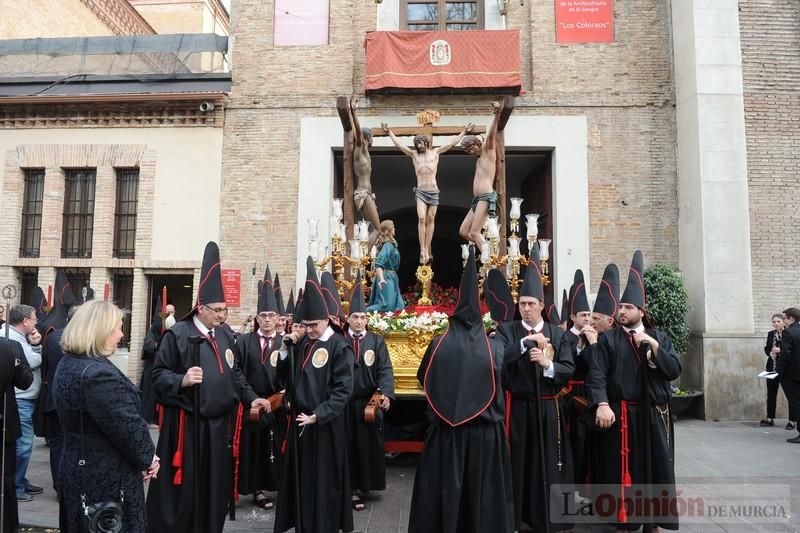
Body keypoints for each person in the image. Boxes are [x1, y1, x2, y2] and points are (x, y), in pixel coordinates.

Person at [146, 241, 270, 533]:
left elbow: (235, 373)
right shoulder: (178, 335)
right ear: (200, 307)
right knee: (188, 492)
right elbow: (158, 375)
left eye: (225, 310)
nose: (223, 316)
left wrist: (252, 398)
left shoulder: (224, 334)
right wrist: (182, 380)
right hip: (188, 428)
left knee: (214, 488)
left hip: (219, 429)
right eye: (217, 310)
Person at [408, 247, 514, 532]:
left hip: (444, 438)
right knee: (481, 505)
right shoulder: (495, 348)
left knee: (442, 504)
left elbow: (423, 378)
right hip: (485, 441)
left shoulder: (437, 344)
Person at [587, 250, 682, 530]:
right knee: (623, 470)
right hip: (623, 415)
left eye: (629, 307)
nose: (622, 312)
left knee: (654, 468)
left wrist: (652, 347)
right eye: (621, 307)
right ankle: (625, 520)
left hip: (653, 416)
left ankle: (653, 520)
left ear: (642, 310)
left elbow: (673, 370)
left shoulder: (659, 337)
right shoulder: (609, 340)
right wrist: (602, 404)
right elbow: (596, 375)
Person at [52, 300, 159, 533]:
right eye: (118, 327)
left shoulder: (69, 362)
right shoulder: (98, 374)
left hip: (76, 468)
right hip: (104, 478)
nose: (121, 334)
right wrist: (149, 458)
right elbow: (125, 426)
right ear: (99, 331)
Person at [495, 255, 575, 533]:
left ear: (542, 305)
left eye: (531, 304)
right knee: (519, 463)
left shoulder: (557, 333)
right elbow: (498, 359)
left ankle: (548, 519)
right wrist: (523, 344)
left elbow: (569, 368)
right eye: (522, 304)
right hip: (518, 407)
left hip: (548, 408)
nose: (526, 309)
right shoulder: (508, 331)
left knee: (551, 463)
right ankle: (515, 518)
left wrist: (547, 364)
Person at [274, 257, 354, 533]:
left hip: (325, 427)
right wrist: (286, 351)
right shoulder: (303, 343)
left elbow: (344, 390)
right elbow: (285, 378)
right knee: (303, 482)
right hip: (300, 424)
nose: (308, 330)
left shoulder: (339, 347)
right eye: (305, 325)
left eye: (313, 325)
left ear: (327, 320)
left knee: (323, 483)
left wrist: (318, 416)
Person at [381, 122, 473, 264]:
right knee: (422, 218)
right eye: (417, 143)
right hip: (421, 192)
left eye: (421, 143)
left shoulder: (435, 152)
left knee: (431, 220)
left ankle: (427, 247)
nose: (419, 146)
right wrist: (389, 132)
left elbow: (451, 144)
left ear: (426, 142)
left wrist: (464, 132)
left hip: (434, 191)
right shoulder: (414, 155)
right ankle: (423, 248)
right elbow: (399, 145)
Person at [344, 274, 394, 510]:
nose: (359, 321)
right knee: (348, 447)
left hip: (367, 403)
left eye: (363, 317)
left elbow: (385, 369)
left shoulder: (376, 341)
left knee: (365, 447)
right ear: (348, 318)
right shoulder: (339, 340)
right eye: (355, 317)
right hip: (343, 405)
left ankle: (365, 485)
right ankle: (350, 489)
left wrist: (384, 393)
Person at [236, 272, 285, 509]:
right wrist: (254, 399)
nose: (267, 320)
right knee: (254, 449)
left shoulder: (285, 343)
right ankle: (256, 489)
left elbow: (290, 375)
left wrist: (279, 398)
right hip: (253, 404)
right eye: (263, 315)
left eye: (271, 315)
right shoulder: (244, 342)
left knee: (276, 448)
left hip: (277, 405)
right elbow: (237, 373)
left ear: (278, 318)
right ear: (257, 317)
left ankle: (277, 486)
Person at [0, 305, 43, 503]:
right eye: (34, 319)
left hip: (24, 396)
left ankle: (20, 480)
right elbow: (32, 361)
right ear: (25, 321)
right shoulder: (12, 339)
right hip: (20, 397)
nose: (36, 323)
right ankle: (15, 486)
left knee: (23, 443)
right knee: (23, 445)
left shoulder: (17, 336)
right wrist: (36, 346)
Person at [458, 100, 505, 257]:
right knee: (464, 231)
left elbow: (491, 133)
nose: (471, 152)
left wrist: (496, 114)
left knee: (475, 232)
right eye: (468, 151)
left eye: (472, 148)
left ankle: (491, 260)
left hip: (485, 196)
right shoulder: (478, 158)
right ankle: (485, 247)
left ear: (478, 143)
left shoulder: (488, 150)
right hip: (477, 199)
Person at [0, 334, 32, 533]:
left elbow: (25, 381)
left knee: (6, 482)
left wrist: (17, 363)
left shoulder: (11, 346)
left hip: (5, 426)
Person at [349, 96, 381, 244]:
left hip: (367, 195)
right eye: (372, 136)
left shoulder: (365, 152)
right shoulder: (360, 148)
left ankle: (364, 257)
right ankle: (364, 258)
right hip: (362, 194)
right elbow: (357, 130)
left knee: (371, 229)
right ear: (367, 136)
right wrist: (353, 111)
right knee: (378, 229)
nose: (374, 138)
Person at [367, 220, 406, 313]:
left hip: (392, 276)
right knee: (387, 305)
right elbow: (379, 263)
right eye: (393, 227)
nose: (394, 228)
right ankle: (363, 312)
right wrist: (381, 279)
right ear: (389, 230)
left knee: (399, 305)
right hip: (386, 276)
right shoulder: (387, 245)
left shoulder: (392, 245)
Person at [139, 297, 164, 425]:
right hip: (151, 368)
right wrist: (158, 346)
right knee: (149, 395)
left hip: (160, 368)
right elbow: (149, 346)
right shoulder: (151, 333)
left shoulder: (164, 333)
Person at [778, 307, 800, 443]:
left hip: (792, 374)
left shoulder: (788, 332)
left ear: (791, 319)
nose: (784, 321)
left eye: (784, 318)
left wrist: (778, 372)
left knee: (796, 403)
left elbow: (786, 355)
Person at [761, 313, 786, 427]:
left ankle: (792, 420)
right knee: (771, 393)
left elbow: (791, 349)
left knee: (789, 395)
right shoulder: (771, 334)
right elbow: (767, 348)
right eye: (774, 322)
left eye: (778, 321)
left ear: (783, 322)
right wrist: (770, 353)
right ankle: (770, 418)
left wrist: (779, 351)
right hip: (772, 366)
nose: (775, 324)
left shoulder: (788, 333)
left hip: (786, 368)